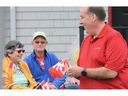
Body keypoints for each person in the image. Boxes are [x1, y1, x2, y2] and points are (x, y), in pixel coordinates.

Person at [67, 7, 128, 89]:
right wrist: (72, 71)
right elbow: (83, 72)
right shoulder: (86, 41)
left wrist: (82, 71)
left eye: (82, 17)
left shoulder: (114, 37)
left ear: (93, 17)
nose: (80, 22)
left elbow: (111, 72)